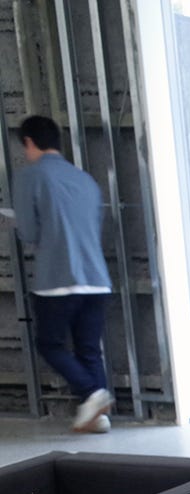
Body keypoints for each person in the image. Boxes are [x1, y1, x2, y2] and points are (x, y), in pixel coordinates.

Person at [12, 115, 113, 433]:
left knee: (50, 344)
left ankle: (92, 394)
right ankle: (98, 417)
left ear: (29, 142)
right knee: (89, 349)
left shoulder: (30, 176)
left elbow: (29, 232)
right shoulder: (85, 180)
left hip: (57, 278)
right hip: (96, 278)